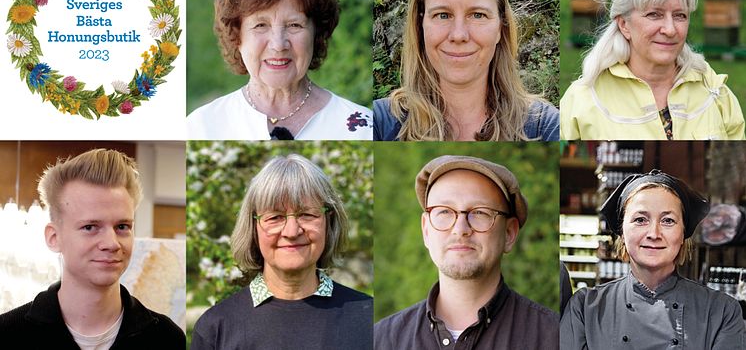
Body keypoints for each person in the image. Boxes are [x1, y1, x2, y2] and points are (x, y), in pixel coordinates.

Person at [0, 149, 185, 348]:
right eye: (90, 227)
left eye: (122, 227)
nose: (112, 243)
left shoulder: (167, 339)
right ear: (54, 237)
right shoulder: (7, 335)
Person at [374, 155, 559, 349]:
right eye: (444, 211)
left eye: (480, 212)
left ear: (509, 233)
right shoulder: (382, 340)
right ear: (426, 231)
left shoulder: (552, 337)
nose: (460, 228)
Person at [187, 0, 372, 140]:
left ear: (316, 34)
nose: (278, 44)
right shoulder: (200, 128)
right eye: (261, 25)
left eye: (294, 25)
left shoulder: (364, 129)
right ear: (237, 36)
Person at [191, 154, 373, 349]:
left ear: (329, 223)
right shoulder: (215, 328)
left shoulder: (367, 316)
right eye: (275, 217)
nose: (292, 231)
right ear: (253, 228)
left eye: (307, 214)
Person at [373, 0, 559, 141]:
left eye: (478, 15)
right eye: (443, 15)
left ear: (500, 28)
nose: (459, 35)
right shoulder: (378, 122)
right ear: (420, 26)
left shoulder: (544, 126)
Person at [560, 0, 745, 140]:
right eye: (654, 14)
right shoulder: (581, 101)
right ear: (624, 24)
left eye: (680, 15)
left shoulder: (716, 92)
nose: (670, 29)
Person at [560, 170, 746, 349]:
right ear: (622, 233)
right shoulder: (585, 308)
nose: (654, 233)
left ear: (683, 235)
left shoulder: (722, 311)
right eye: (640, 220)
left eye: (668, 221)